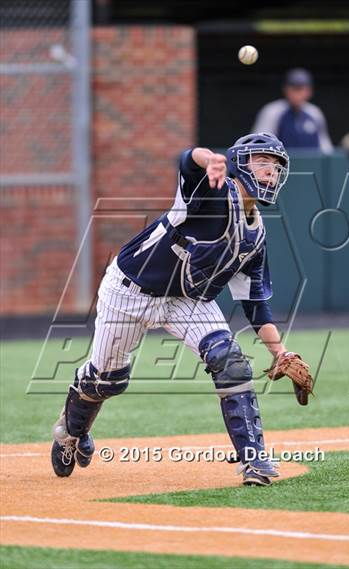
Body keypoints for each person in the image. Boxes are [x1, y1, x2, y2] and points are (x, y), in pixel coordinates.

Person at [51, 132, 313, 487]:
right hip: (131, 290)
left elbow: (254, 303)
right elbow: (188, 160)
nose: (269, 172)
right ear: (239, 163)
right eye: (262, 162)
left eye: (275, 167)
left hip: (187, 300)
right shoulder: (214, 193)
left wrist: (280, 352)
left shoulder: (255, 237)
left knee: (231, 361)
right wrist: (210, 159)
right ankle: (71, 430)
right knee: (107, 381)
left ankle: (254, 461)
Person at [252, 68, 333, 153]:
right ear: (285, 89)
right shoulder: (272, 111)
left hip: (311, 164)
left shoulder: (314, 112)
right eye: (294, 88)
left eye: (301, 88)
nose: (297, 93)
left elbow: (325, 146)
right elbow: (259, 145)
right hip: (282, 164)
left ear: (309, 91)